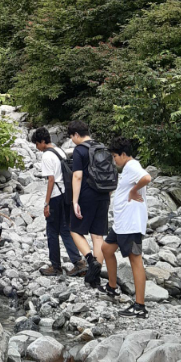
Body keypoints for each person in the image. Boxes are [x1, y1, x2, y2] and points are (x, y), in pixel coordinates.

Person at [100, 137, 152, 318]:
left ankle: (140, 306)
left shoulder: (131, 166)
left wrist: (133, 190)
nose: (115, 160)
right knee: (106, 249)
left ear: (123, 154)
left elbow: (147, 177)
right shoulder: (128, 168)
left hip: (130, 223)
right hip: (122, 223)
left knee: (135, 260)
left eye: (115, 156)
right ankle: (112, 287)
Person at [31, 127, 86, 277]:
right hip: (67, 194)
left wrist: (46, 203)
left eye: (37, 144)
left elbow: (51, 180)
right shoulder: (60, 151)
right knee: (65, 229)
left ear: (42, 141)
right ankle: (79, 263)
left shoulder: (47, 156)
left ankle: (55, 266)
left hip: (56, 196)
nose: (37, 147)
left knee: (52, 232)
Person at [68, 120, 111, 287]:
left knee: (75, 230)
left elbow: (77, 176)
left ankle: (90, 260)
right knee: (98, 235)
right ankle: (95, 276)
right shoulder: (102, 148)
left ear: (77, 135)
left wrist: (74, 201)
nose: (72, 140)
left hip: (86, 195)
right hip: (104, 195)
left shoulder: (79, 150)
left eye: (72, 137)